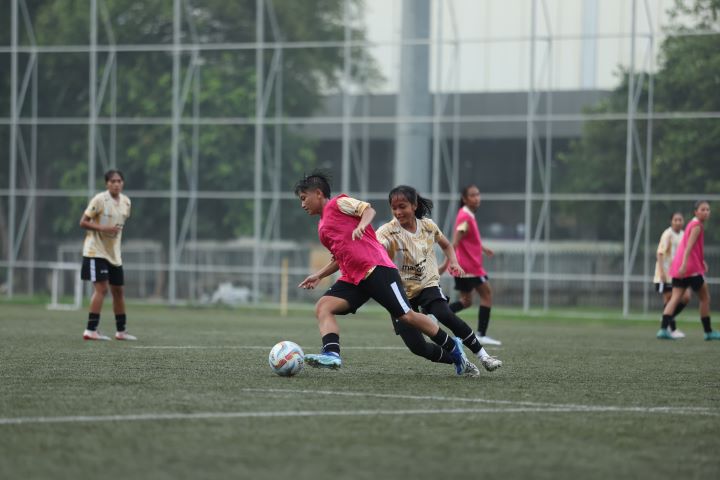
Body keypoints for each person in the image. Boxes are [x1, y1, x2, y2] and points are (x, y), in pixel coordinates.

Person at [295, 171, 478, 375]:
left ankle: (454, 347)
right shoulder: (322, 227)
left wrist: (362, 226)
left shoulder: (338, 204)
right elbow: (340, 257)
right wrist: (319, 275)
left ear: (318, 193)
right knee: (323, 306)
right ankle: (331, 354)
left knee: (408, 316)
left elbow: (368, 210)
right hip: (353, 278)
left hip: (377, 269)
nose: (302, 204)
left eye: (304, 198)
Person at [375, 185, 502, 373]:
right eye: (394, 208)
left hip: (427, 284)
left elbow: (447, 245)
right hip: (400, 292)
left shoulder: (428, 226)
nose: (398, 212)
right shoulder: (387, 231)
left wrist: (454, 263)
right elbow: (377, 247)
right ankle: (459, 359)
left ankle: (484, 356)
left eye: (402, 206)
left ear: (415, 205)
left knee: (444, 314)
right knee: (418, 347)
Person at [79, 169, 136, 341]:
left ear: (122, 183)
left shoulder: (126, 202)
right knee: (102, 289)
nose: (116, 184)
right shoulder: (100, 199)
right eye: (113, 181)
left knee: (118, 291)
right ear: (107, 184)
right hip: (95, 251)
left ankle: (121, 331)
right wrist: (104, 228)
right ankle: (90, 330)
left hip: (114, 254)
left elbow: (118, 227)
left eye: (119, 181)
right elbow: (83, 222)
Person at [447, 185, 501, 346]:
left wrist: (483, 248)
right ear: (464, 199)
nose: (477, 197)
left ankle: (435, 315)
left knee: (466, 301)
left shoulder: (467, 215)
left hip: (469, 266)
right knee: (487, 295)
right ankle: (481, 334)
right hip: (470, 267)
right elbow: (456, 241)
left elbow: (467, 239)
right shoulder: (465, 216)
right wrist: (448, 262)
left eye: (478, 194)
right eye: (472, 195)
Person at [657, 200, 718, 340]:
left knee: (675, 298)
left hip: (680, 268)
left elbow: (689, 246)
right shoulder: (697, 226)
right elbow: (688, 247)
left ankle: (663, 330)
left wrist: (700, 261)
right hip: (690, 269)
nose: (706, 212)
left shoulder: (691, 224)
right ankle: (708, 332)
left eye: (708, 209)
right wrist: (685, 264)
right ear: (696, 212)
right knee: (705, 298)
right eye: (703, 209)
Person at [653, 212, 690, 338]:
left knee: (685, 297)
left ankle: (666, 319)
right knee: (669, 299)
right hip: (666, 274)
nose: (678, 222)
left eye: (680, 219)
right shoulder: (668, 234)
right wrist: (662, 272)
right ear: (671, 221)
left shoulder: (684, 235)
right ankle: (671, 329)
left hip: (677, 274)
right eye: (676, 220)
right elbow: (660, 253)